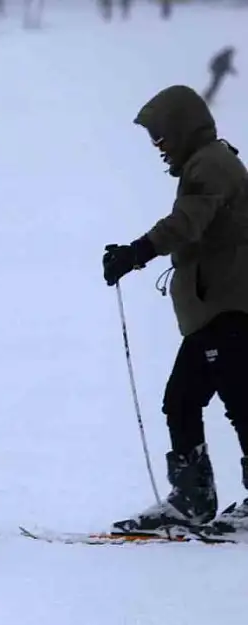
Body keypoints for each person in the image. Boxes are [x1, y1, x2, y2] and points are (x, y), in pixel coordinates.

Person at [103, 85, 248, 536]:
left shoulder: (211, 165)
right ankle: (193, 498)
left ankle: (192, 499)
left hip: (228, 307)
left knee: (212, 401)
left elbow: (188, 222)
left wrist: (136, 252)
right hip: (220, 307)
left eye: (161, 136)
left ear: (183, 128)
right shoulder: (210, 162)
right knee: (193, 401)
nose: (159, 146)